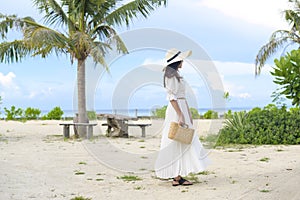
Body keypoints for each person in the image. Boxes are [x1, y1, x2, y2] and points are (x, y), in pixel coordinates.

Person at [155, 48, 210, 186]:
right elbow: (172, 97)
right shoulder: (171, 76)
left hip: (182, 106)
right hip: (176, 108)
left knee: (183, 139)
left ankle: (178, 175)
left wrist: (187, 114)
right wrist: (180, 115)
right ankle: (176, 176)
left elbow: (180, 97)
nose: (183, 62)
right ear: (177, 61)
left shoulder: (176, 74)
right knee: (175, 140)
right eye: (181, 60)